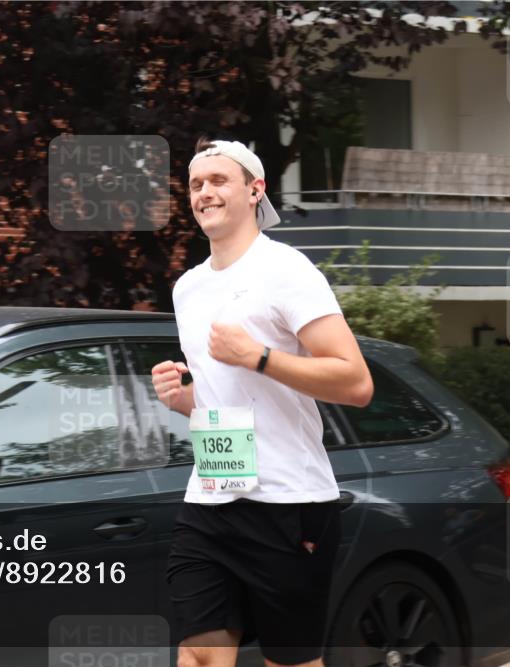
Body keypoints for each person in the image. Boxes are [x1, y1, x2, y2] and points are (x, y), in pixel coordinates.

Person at [151, 138, 374, 667]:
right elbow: (228, 399)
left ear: (255, 190)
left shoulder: (286, 270)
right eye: (196, 185)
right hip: (210, 498)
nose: (204, 192)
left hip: (289, 504)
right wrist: (186, 400)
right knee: (200, 656)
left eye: (218, 180)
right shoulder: (188, 288)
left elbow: (355, 382)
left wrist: (258, 357)